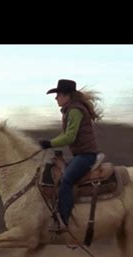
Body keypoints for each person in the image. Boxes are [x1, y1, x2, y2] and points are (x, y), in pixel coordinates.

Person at [39, 79, 103, 233]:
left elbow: (69, 137)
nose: (56, 98)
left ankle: (64, 221)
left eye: (58, 95)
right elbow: (67, 135)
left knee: (67, 179)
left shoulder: (74, 111)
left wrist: (50, 143)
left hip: (86, 156)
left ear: (67, 96)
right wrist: (52, 143)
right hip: (81, 155)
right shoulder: (71, 110)